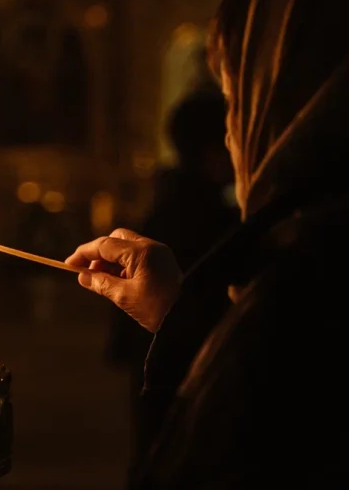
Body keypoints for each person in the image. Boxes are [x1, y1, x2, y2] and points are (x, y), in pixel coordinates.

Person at [67, 0, 349, 487]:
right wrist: (182, 313)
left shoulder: (311, 304)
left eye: (238, 100)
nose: (232, 135)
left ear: (298, 102)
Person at [107, 90, 239, 478]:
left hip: (160, 353)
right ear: (213, 151)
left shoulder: (172, 201)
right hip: (184, 360)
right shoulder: (208, 215)